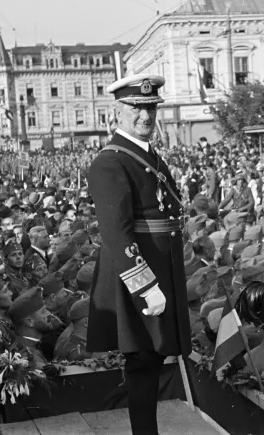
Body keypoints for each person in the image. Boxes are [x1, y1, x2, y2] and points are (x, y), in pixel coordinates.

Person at [87, 74, 190, 435]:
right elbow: (117, 231)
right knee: (144, 363)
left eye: (150, 108)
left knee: (154, 357)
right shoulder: (110, 162)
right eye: (136, 108)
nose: (145, 116)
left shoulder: (148, 157)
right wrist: (146, 286)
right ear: (117, 111)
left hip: (163, 268)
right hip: (140, 276)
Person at [8, 286, 53, 367]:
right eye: (43, 312)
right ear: (29, 322)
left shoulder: (26, 346)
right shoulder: (28, 359)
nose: (49, 314)